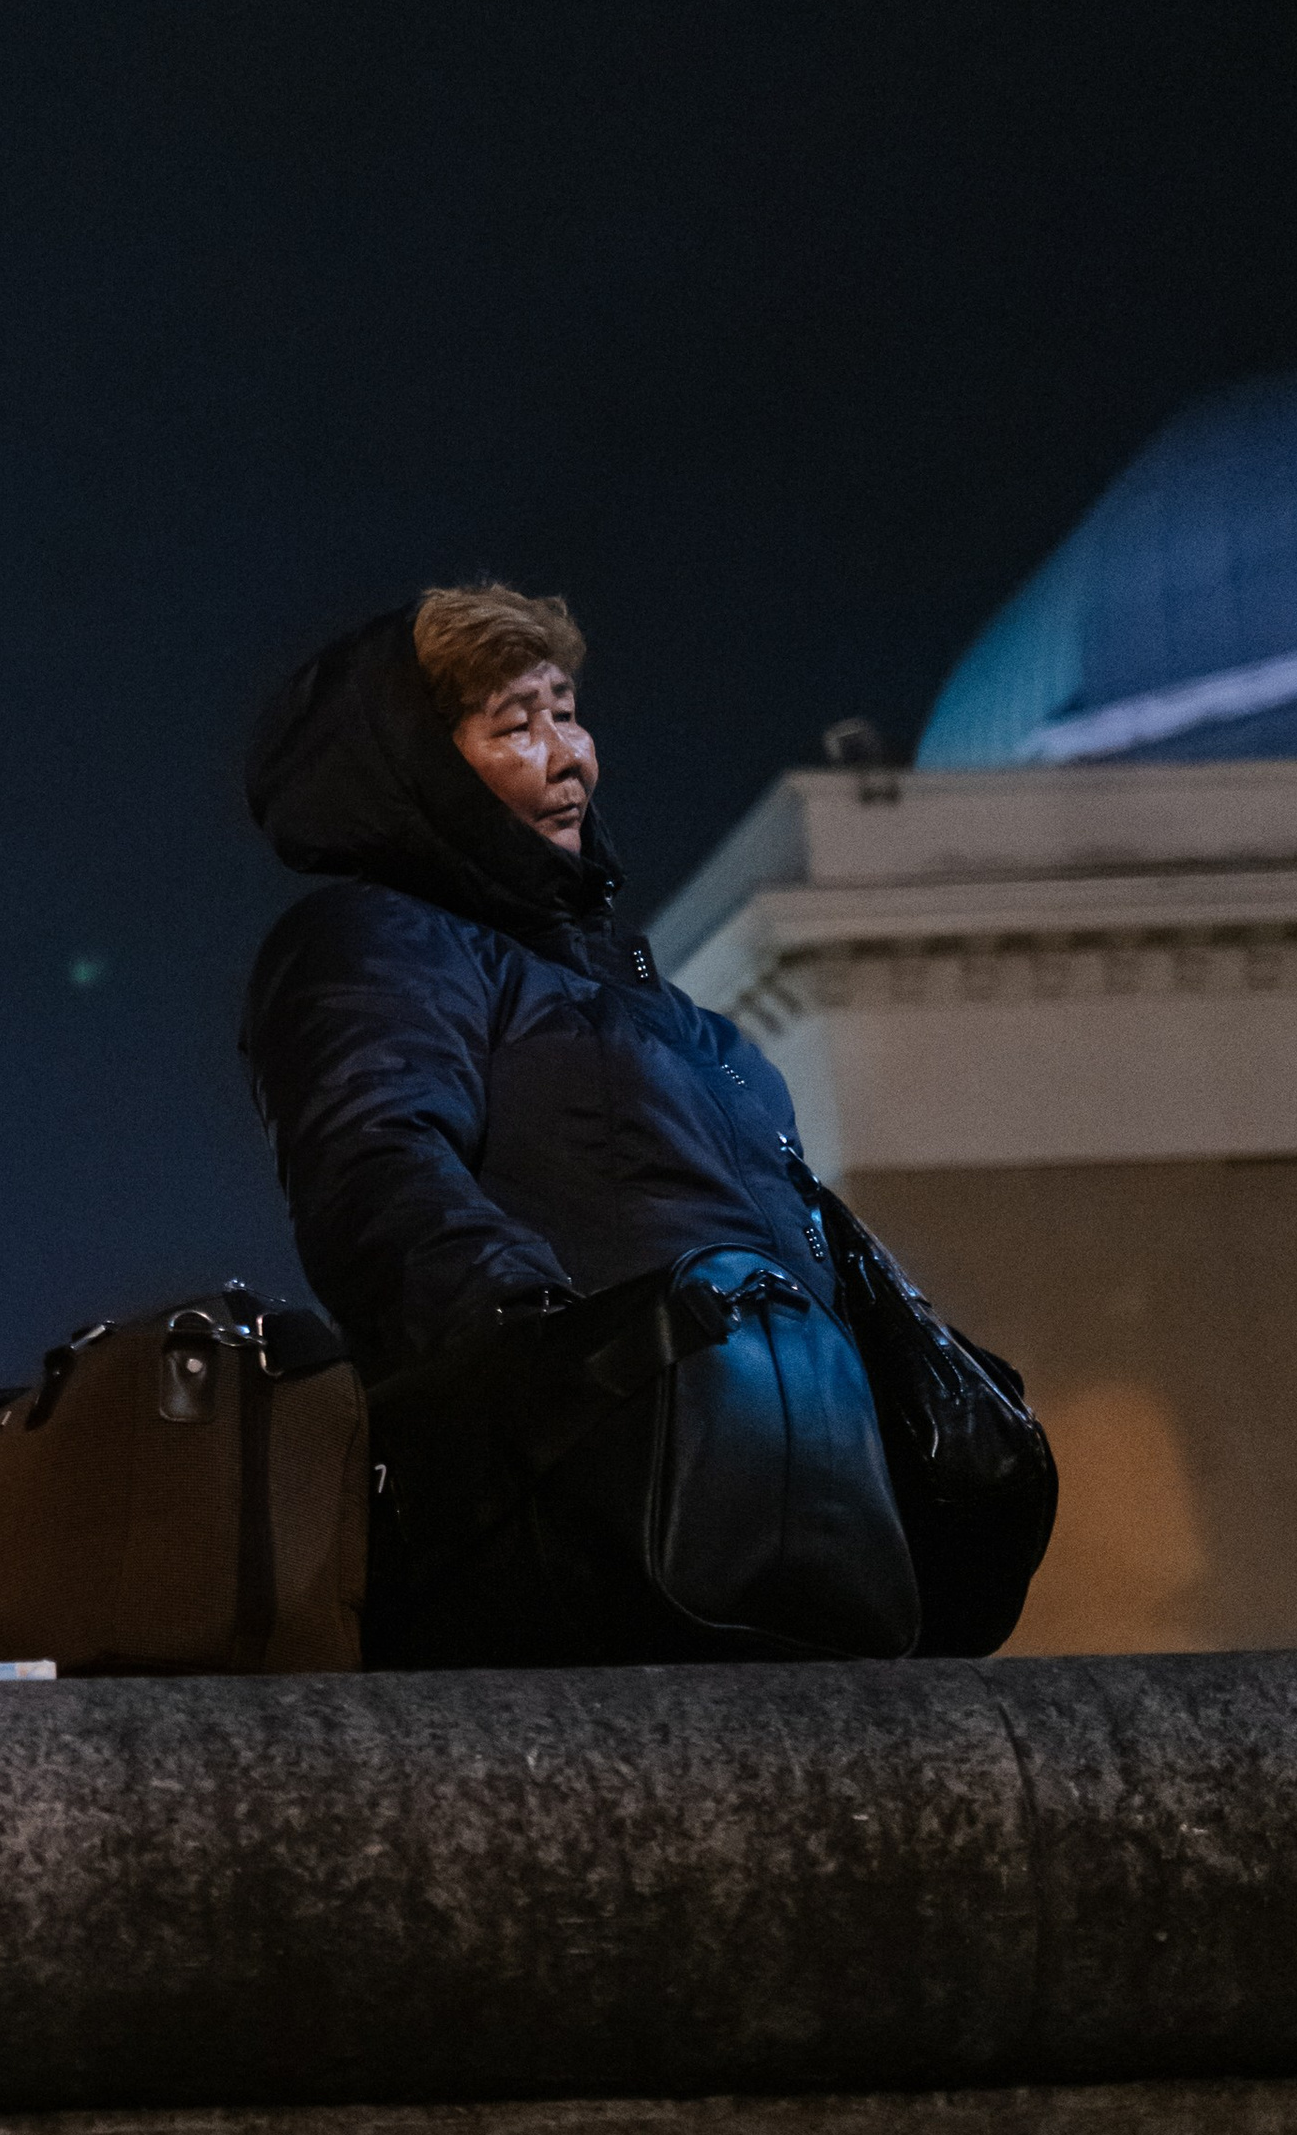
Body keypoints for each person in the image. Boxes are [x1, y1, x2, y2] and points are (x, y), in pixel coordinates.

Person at [241, 584, 917, 1666]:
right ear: (421, 767)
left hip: (785, 1519)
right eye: (514, 726)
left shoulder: (670, 1014)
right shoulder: (378, 944)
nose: (568, 759)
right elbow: (379, 1176)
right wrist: (570, 1371)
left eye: (565, 712)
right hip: (584, 1534)